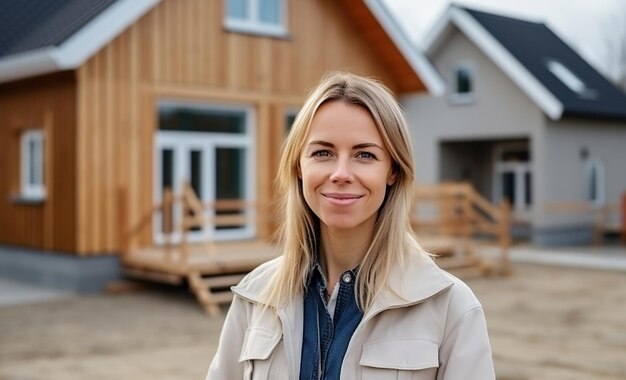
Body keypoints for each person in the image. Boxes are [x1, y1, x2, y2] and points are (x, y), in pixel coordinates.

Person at [206, 72, 495, 379]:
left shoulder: (452, 308)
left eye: (364, 155)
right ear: (299, 166)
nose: (341, 173)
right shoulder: (255, 298)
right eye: (323, 153)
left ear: (393, 171)